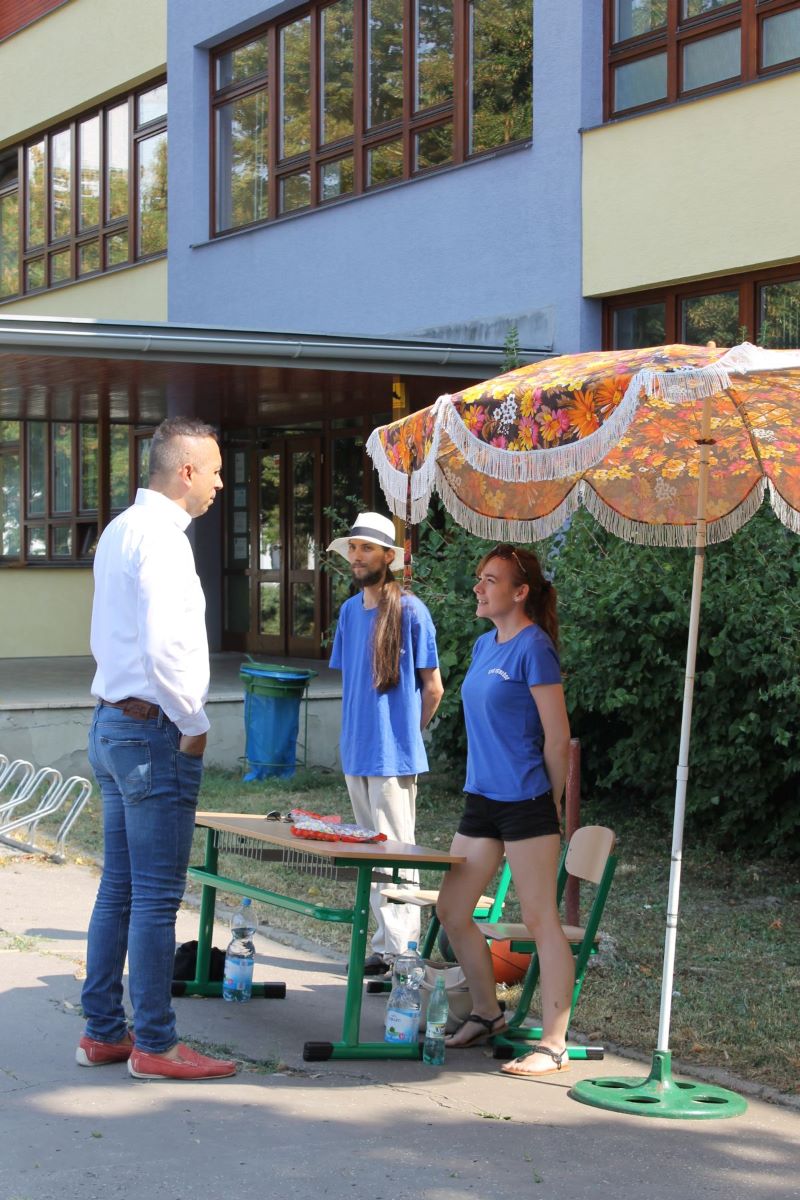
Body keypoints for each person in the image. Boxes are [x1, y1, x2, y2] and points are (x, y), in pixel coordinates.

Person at [76, 416, 236, 1081]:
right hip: (150, 730)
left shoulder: (122, 528)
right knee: (154, 896)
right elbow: (166, 645)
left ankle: (103, 1032)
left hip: (113, 724)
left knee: (120, 886)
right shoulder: (164, 540)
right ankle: (156, 1044)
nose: (221, 484)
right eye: (216, 471)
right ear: (186, 471)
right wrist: (193, 722)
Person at [437, 543, 574, 1077]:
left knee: (541, 920)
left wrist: (550, 804)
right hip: (482, 801)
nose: (478, 587)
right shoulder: (483, 645)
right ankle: (487, 1012)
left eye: (490, 580)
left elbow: (557, 739)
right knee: (452, 910)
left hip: (526, 803)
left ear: (520, 593)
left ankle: (554, 1044)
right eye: (479, 578)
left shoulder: (534, 648)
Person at [328, 511, 444, 975]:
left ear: (388, 557)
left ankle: (404, 953)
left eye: (367, 549)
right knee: (369, 856)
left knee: (396, 853)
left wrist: (404, 736)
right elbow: (353, 683)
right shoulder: (348, 612)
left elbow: (433, 688)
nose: (357, 557)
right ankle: (386, 946)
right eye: (353, 548)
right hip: (355, 750)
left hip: (393, 756)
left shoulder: (412, 611)